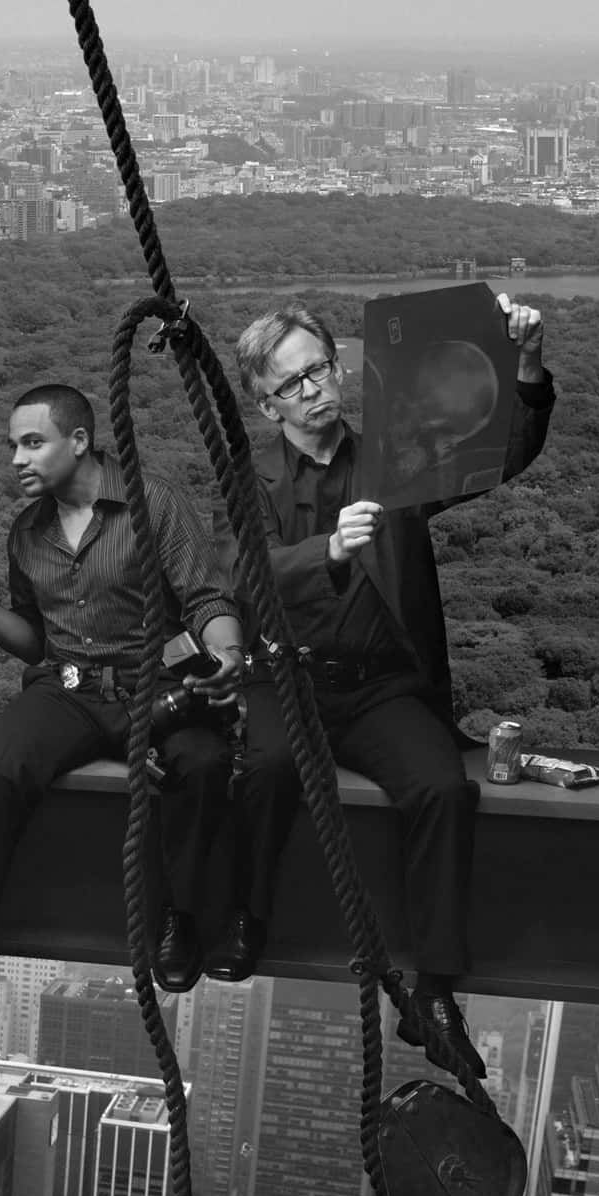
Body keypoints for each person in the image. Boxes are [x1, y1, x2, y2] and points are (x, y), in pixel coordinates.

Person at [226, 298, 552, 1081]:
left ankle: (435, 990)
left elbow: (502, 454)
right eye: (294, 382)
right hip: (289, 679)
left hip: (381, 687)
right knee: (261, 768)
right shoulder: (249, 476)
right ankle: (243, 918)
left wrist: (529, 366)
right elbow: (238, 577)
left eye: (321, 368)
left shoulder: (398, 460)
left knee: (442, 787)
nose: (316, 389)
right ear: (268, 403)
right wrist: (326, 550)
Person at [0, 384, 244, 1069]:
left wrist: (228, 654)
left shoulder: (155, 503)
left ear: (81, 441)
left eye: (33, 443)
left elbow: (207, 596)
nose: (17, 460)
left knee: (202, 765)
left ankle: (179, 919)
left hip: (156, 687)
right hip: (64, 690)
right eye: (12, 446)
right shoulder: (27, 531)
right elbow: (31, 643)